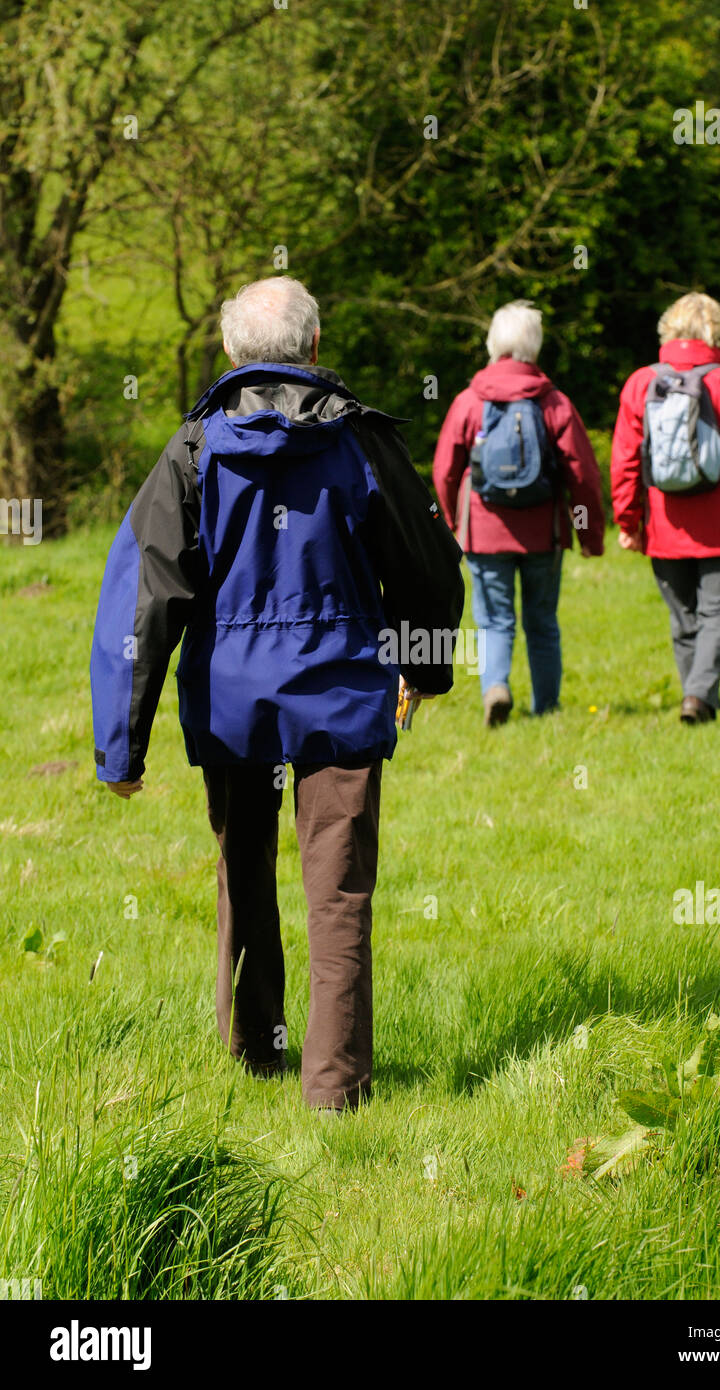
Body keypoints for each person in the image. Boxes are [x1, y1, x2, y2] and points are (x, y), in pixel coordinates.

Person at [90, 276, 464, 1111]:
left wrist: (122, 745)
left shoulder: (193, 449)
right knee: (338, 894)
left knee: (244, 873)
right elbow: (427, 561)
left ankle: (256, 1051)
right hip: (338, 699)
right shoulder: (361, 444)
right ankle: (333, 1089)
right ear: (316, 347)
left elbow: (143, 599)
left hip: (234, 706)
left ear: (230, 352)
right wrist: (426, 668)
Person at [611, 292, 720, 724]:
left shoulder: (641, 382)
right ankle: (698, 698)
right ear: (715, 329)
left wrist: (628, 520)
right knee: (718, 615)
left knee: (684, 618)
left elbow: (625, 460)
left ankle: (696, 698)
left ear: (668, 328)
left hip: (663, 525)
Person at [433, 300, 604, 726]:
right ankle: (546, 708)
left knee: (493, 619)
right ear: (535, 345)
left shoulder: (469, 401)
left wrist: (452, 525)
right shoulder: (554, 403)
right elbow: (582, 476)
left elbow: (444, 471)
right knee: (542, 620)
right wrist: (589, 535)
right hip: (543, 532)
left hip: (484, 533)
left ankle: (496, 688)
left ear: (493, 343)